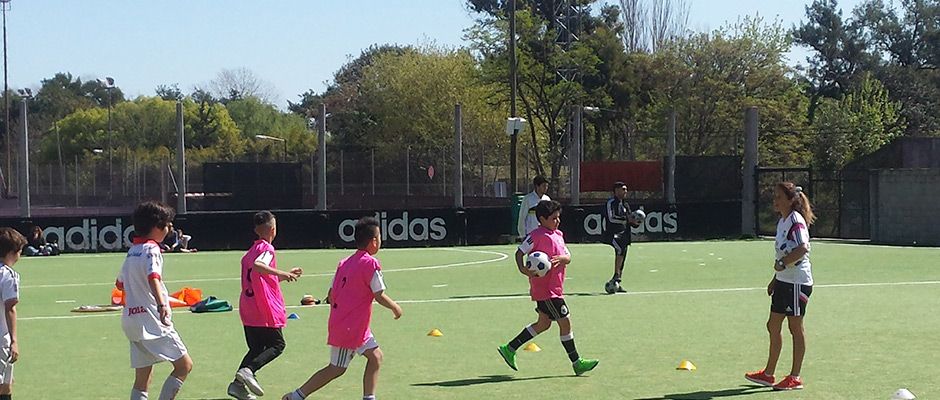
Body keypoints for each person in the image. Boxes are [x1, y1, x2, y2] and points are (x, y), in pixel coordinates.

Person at [282, 217, 403, 400]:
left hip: (350, 324)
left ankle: (367, 397)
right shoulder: (370, 264)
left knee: (372, 358)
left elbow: (331, 294)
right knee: (337, 368)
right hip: (351, 327)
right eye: (379, 237)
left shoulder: (344, 263)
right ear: (374, 241)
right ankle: (296, 396)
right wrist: (394, 307)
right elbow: (378, 294)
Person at [498, 200, 599, 376]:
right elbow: (519, 252)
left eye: (558, 218)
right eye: (553, 218)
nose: (557, 221)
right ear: (542, 219)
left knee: (543, 324)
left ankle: (510, 348)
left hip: (555, 288)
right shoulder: (536, 236)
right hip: (547, 291)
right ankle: (577, 362)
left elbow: (567, 255)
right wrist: (523, 269)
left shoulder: (558, 234)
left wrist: (563, 259)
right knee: (565, 321)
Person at [116, 201, 194, 400]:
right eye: (168, 224)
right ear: (157, 226)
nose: (170, 229)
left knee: (143, 379)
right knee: (184, 365)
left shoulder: (132, 251)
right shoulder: (152, 249)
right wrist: (161, 305)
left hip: (131, 321)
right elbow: (153, 277)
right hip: (152, 320)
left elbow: (120, 284)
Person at [745, 182, 816, 391]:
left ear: (790, 200)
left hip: (797, 282)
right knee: (772, 326)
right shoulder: (782, 221)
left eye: (778, 197)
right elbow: (783, 253)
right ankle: (768, 374)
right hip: (784, 281)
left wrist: (783, 265)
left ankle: (795, 377)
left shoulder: (796, 221)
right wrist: (775, 279)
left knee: (795, 328)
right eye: (774, 196)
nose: (775, 201)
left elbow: (802, 248)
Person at [229, 211, 303, 400]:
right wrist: (284, 274)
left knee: (256, 347)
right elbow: (259, 266)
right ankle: (248, 370)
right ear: (273, 229)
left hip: (247, 306)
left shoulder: (251, 250)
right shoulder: (267, 249)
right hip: (262, 307)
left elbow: (260, 275)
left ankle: (237, 386)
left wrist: (283, 275)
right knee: (277, 344)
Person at [0, 227, 25, 400]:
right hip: (1, 337)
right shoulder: (8, 275)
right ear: (12, 252)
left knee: (6, 385)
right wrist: (14, 341)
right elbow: (10, 308)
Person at [602, 181, 640, 294]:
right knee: (619, 249)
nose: (625, 191)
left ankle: (617, 282)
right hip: (612, 233)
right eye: (623, 189)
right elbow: (611, 218)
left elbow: (630, 220)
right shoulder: (611, 203)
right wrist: (627, 219)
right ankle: (616, 276)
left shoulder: (625, 204)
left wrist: (636, 222)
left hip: (624, 234)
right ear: (616, 191)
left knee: (623, 254)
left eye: (626, 189)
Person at [517, 176, 551, 240]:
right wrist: (522, 235)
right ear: (537, 186)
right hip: (530, 234)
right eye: (543, 186)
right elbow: (522, 217)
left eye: (547, 186)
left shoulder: (547, 199)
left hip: (544, 234)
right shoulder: (527, 199)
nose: (546, 188)